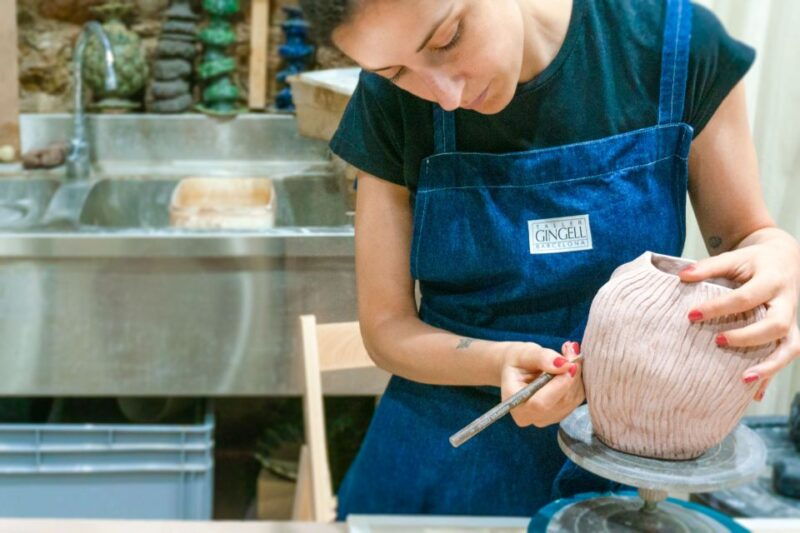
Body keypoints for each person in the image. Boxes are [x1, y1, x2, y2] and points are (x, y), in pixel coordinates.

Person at [299, 0, 800, 519]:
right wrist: (496, 362)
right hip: (443, 459)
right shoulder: (388, 101)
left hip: (625, 463)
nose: (445, 96)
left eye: (449, 39)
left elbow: (748, 237)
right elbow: (386, 328)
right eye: (395, 71)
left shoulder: (673, 42)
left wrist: (779, 255)